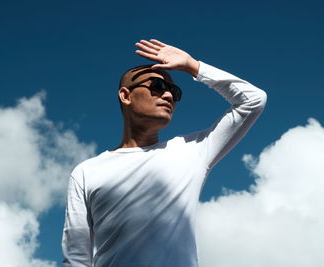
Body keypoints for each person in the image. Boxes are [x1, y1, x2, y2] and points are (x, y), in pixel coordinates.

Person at [62, 39, 267, 267]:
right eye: (157, 87)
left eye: (174, 91)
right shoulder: (86, 172)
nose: (168, 96)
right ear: (125, 95)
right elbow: (76, 258)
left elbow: (253, 100)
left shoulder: (193, 151)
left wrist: (192, 66)